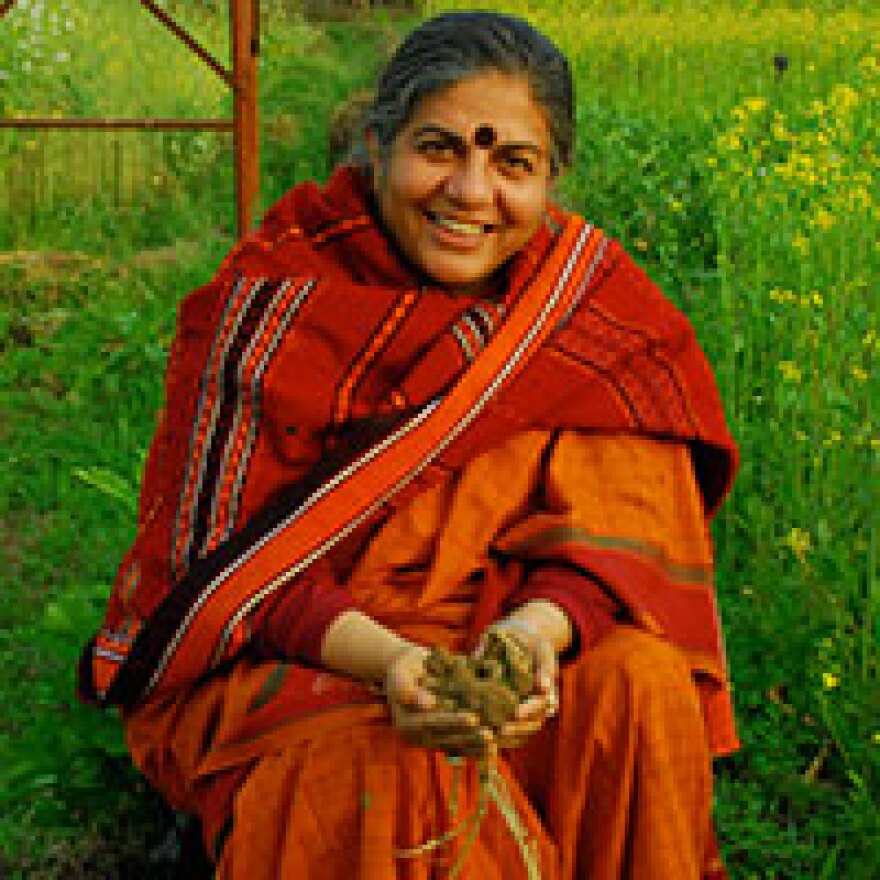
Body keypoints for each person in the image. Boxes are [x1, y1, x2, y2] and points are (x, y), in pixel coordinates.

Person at [79, 11, 739, 879]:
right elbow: (224, 570)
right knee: (389, 770)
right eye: (439, 148)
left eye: (513, 163)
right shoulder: (268, 308)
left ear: (553, 180)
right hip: (295, 649)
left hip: (498, 616)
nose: (470, 192)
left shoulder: (587, 314)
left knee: (637, 689)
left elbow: (615, 535)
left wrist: (529, 640)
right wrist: (395, 662)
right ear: (377, 146)